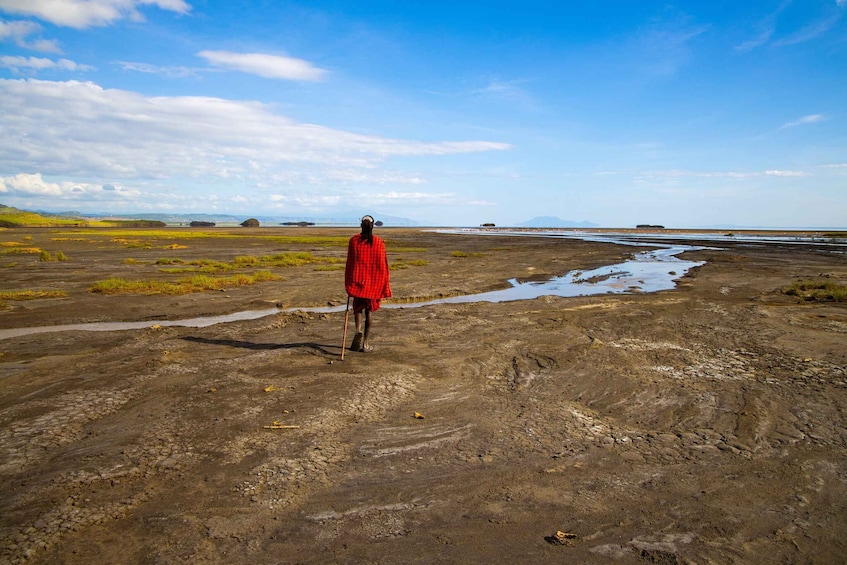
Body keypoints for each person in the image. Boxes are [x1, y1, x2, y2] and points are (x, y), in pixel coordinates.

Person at [345, 215, 391, 352]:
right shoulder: (379, 243)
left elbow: (350, 264)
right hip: (373, 283)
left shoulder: (354, 241)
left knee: (358, 308)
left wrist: (349, 282)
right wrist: (383, 282)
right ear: (373, 226)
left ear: (361, 225)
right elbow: (383, 265)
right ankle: (365, 343)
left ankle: (358, 330)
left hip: (358, 280)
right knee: (369, 310)